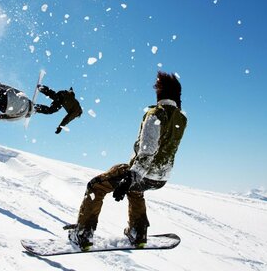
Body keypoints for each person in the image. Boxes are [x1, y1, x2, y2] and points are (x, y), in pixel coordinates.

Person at [66, 71, 187, 251]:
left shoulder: (155, 114)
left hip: (144, 172)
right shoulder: (182, 118)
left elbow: (148, 151)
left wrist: (131, 177)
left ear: (159, 95)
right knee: (134, 188)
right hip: (160, 178)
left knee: (95, 186)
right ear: (177, 97)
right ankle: (138, 233)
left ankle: (83, 234)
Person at [0, 79, 82, 132]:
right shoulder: (76, 112)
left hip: (11, 96)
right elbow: (67, 118)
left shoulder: (25, 98)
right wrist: (60, 127)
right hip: (7, 107)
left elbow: (12, 89)